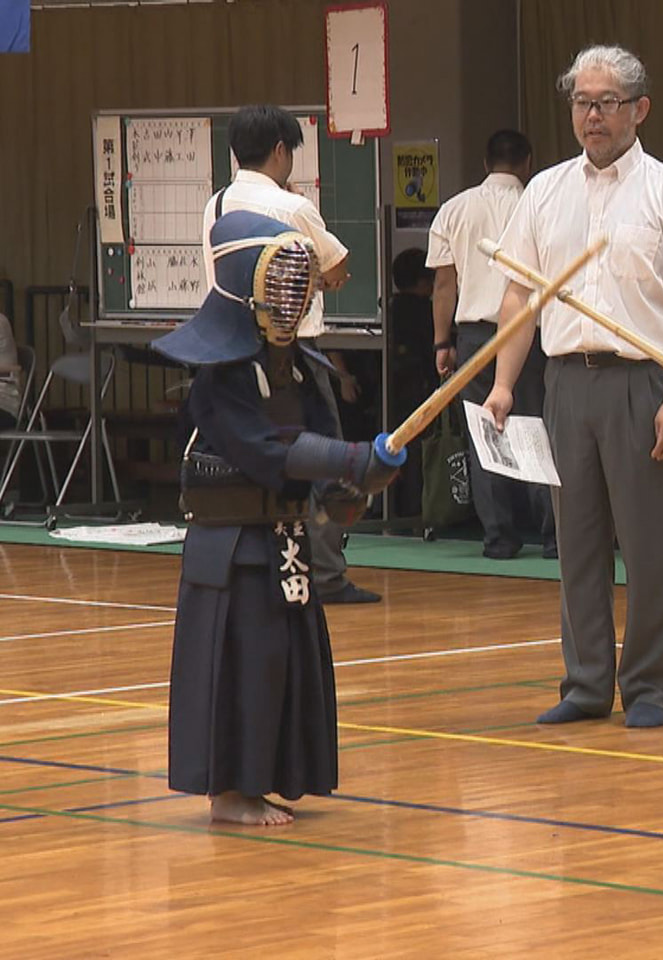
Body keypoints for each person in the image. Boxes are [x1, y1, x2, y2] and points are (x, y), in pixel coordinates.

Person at [483, 45, 663, 728]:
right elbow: (520, 297)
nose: (592, 115)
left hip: (642, 384)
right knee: (576, 542)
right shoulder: (545, 190)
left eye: (606, 102)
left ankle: (650, 688)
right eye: (582, 102)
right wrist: (503, 384)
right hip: (565, 384)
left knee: (649, 547)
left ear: (639, 109)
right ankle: (586, 684)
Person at [154, 211, 401, 826]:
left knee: (286, 662)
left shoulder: (307, 369)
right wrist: (349, 458)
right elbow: (269, 453)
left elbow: (324, 468)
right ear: (250, 287)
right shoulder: (219, 381)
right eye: (283, 284)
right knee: (246, 660)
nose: (293, 298)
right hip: (233, 546)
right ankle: (231, 792)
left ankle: (274, 776)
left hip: (289, 544)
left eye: (300, 285)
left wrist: (361, 481)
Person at [201, 103, 379, 604]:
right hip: (290, 353)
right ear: (281, 150)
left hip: (228, 352)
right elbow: (340, 269)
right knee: (322, 459)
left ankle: (260, 570)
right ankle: (324, 574)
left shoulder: (214, 204)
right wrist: (310, 279)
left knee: (250, 459)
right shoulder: (293, 208)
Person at [428, 130, 555, 559]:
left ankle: (499, 537)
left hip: (474, 334)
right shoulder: (539, 204)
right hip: (532, 332)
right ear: (527, 162)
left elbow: (444, 285)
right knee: (536, 428)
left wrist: (442, 341)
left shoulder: (454, 208)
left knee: (485, 434)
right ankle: (554, 536)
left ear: (485, 164)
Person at [385, 248, 437, 519]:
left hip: (389, 388)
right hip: (418, 387)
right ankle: (416, 510)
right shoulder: (424, 312)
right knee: (417, 450)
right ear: (422, 281)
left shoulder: (389, 308)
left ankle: (393, 509)